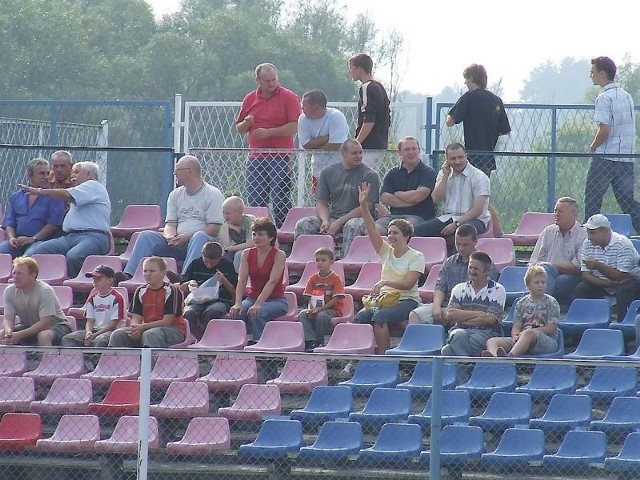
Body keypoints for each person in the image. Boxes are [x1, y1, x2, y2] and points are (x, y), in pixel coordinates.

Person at [119, 155, 225, 280]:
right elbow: (170, 224)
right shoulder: (175, 194)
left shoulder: (213, 194)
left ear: (190, 171)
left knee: (199, 236)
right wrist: (170, 236)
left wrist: (186, 237)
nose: (174, 173)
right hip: (177, 243)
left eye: (178, 170)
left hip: (201, 244)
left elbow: (214, 228)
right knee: (145, 236)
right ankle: (128, 275)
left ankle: (185, 277)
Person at [355, 182, 424, 354]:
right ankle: (361, 355)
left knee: (380, 317)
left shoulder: (416, 256)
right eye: (390, 232)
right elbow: (371, 229)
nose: (390, 236)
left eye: (395, 233)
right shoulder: (386, 250)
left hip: (406, 300)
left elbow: (408, 284)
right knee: (361, 316)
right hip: (385, 299)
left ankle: (384, 357)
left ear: (406, 236)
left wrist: (384, 282)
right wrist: (363, 205)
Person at [236, 63, 301, 227]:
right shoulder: (250, 98)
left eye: (274, 80)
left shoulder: (289, 97)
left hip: (281, 156)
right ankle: (258, 231)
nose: (272, 84)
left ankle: (282, 230)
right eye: (267, 81)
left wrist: (269, 132)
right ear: (257, 80)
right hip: (256, 157)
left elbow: (295, 125)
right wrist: (247, 122)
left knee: (281, 198)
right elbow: (240, 128)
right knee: (256, 199)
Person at [20, 161, 111, 278]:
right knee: (38, 250)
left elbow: (66, 194)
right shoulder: (80, 192)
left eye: (77, 172)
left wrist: (39, 191)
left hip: (94, 237)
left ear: (89, 175)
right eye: (72, 172)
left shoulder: (93, 186)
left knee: (74, 256)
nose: (72, 175)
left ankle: (77, 291)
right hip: (70, 237)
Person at [294, 139, 380, 257]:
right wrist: (325, 220)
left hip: (360, 218)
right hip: (334, 216)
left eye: (360, 152)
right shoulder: (328, 173)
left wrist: (339, 222)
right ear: (343, 153)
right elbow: (321, 203)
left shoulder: (370, 175)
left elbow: (367, 207)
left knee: (353, 225)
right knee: (303, 224)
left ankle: (348, 267)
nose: (359, 156)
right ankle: (301, 266)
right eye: (354, 153)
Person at [584, 56, 640, 233]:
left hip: (606, 156)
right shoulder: (626, 96)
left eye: (593, 72)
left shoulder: (604, 98)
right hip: (626, 156)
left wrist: (593, 147)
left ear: (602, 74)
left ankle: (590, 237)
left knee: (593, 198)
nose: (590, 75)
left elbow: (605, 130)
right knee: (627, 201)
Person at [408, 224, 497, 324]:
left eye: (465, 245)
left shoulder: (486, 264)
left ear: (475, 241)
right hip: (446, 306)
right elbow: (441, 287)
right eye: (458, 244)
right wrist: (436, 307)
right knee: (416, 315)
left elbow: (487, 292)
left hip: (471, 310)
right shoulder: (449, 262)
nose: (461, 248)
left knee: (453, 316)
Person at [446, 64, 511, 177]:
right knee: (483, 189)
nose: (465, 83)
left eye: (466, 79)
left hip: (471, 156)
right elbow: (504, 130)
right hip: (488, 156)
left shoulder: (468, 97)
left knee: (467, 189)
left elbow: (450, 122)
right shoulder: (496, 100)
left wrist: (450, 115)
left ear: (471, 78)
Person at [413, 143, 490, 238]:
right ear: (447, 160)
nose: (457, 161)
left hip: (475, 220)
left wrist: (456, 224)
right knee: (414, 232)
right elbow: (436, 199)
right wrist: (445, 176)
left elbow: (477, 210)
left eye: (460, 157)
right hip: (448, 218)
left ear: (466, 156)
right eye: (453, 158)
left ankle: (458, 253)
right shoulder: (443, 174)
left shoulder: (479, 177)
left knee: (462, 233)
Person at [229, 217, 288, 340]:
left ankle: (260, 347)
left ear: (271, 238)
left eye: (260, 234)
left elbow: (272, 281)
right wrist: (238, 303)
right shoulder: (247, 253)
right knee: (236, 312)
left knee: (257, 313)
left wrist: (258, 304)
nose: (256, 237)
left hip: (276, 300)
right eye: (254, 234)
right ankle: (237, 346)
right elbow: (242, 280)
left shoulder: (279, 255)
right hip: (252, 298)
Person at [108, 257, 186, 348]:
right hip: (146, 328)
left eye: (152, 271)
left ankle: (150, 361)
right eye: (145, 271)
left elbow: (167, 321)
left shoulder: (172, 291)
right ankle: (114, 361)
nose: (147, 274)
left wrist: (143, 327)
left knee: (150, 334)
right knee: (118, 334)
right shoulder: (140, 290)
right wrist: (135, 329)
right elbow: (136, 317)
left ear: (163, 272)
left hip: (173, 330)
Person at [483, 265, 561, 357]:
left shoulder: (551, 302)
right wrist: (515, 335)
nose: (540, 285)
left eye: (543, 282)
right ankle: (494, 360)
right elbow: (517, 326)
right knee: (492, 341)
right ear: (528, 285)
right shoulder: (521, 303)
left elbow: (551, 328)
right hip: (523, 338)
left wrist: (528, 332)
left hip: (546, 341)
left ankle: (509, 358)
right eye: (537, 282)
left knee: (529, 333)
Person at [440, 251, 506, 357]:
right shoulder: (459, 288)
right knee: (459, 335)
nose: (471, 271)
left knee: (448, 350)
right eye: (470, 267)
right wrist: (479, 313)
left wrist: (461, 316)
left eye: (476, 269)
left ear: (487, 272)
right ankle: (469, 366)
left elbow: (490, 320)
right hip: (460, 331)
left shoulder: (497, 289)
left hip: (485, 334)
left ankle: (465, 367)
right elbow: (450, 314)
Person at [577, 214, 640, 320]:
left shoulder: (622, 244)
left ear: (606, 231)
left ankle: (623, 323)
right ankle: (582, 324)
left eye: (592, 232)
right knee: (581, 288)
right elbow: (586, 275)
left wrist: (597, 265)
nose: (589, 236)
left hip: (628, 282)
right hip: (603, 283)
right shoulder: (587, 243)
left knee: (625, 289)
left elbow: (622, 276)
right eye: (588, 232)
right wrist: (609, 283)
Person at [0, 158, 65, 258]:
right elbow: (9, 223)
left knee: (27, 259)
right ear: (30, 175)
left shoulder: (55, 196)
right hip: (17, 241)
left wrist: (33, 238)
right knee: (2, 251)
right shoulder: (16, 197)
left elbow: (53, 225)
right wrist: (11, 238)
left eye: (47, 173)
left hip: (41, 242)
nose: (46, 177)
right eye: (41, 174)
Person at [1, 257, 71, 346]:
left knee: (43, 335)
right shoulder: (9, 291)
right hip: (29, 325)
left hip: (58, 325)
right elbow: (8, 318)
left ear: (33, 275)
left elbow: (45, 322)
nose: (15, 276)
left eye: (20, 273)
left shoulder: (45, 291)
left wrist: (19, 334)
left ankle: (49, 359)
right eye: (14, 273)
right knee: (2, 334)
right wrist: (8, 330)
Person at [529, 197, 586, 304]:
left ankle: (539, 305)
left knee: (559, 281)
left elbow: (579, 267)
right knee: (535, 275)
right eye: (555, 210)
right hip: (544, 272)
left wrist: (550, 265)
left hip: (571, 275)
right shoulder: (548, 231)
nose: (556, 214)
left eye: (561, 211)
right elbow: (535, 259)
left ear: (574, 214)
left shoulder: (583, 234)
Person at [375, 136, 437, 234]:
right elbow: (385, 198)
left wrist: (397, 194)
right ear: (399, 152)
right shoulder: (392, 173)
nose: (411, 152)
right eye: (407, 149)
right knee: (372, 230)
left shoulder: (428, 172)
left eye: (414, 149)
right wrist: (411, 201)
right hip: (394, 216)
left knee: (403, 231)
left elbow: (418, 196)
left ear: (419, 151)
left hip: (419, 217)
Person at [180, 242, 237, 340]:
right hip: (197, 300)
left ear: (220, 258)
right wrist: (190, 283)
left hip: (220, 300)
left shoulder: (227, 265)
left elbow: (234, 292)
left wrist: (224, 280)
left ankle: (209, 338)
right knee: (189, 313)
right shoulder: (195, 263)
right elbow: (182, 287)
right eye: (206, 261)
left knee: (212, 311)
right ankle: (200, 337)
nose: (209, 265)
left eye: (213, 262)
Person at [61, 265, 126, 347]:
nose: (95, 281)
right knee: (68, 338)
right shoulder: (92, 298)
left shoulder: (117, 298)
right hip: (95, 330)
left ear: (110, 280)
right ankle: (75, 359)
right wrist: (88, 332)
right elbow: (89, 321)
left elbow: (113, 325)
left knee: (100, 340)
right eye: (94, 279)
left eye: (99, 279)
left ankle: (96, 359)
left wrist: (94, 336)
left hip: (111, 332)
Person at [298, 89, 350, 192]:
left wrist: (315, 146)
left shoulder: (336, 116)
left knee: (339, 201)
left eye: (305, 105)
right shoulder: (303, 119)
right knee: (320, 201)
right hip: (318, 171)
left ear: (316, 107)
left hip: (339, 170)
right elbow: (305, 145)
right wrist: (326, 138)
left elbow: (335, 145)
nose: (302, 108)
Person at [348, 53, 391, 171]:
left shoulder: (367, 87)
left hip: (369, 146)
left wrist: (356, 143)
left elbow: (369, 120)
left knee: (361, 179)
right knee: (371, 178)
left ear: (360, 69)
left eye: (351, 68)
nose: (349, 71)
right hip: (380, 144)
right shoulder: (380, 87)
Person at [298, 247, 346, 352]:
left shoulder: (335, 278)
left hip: (332, 309)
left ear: (331, 262)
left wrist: (319, 309)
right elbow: (308, 296)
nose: (320, 263)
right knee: (302, 314)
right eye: (317, 260)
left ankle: (319, 342)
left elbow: (336, 298)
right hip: (316, 308)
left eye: (323, 260)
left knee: (321, 316)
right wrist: (310, 309)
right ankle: (310, 340)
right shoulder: (313, 278)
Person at [219, 196, 255, 273]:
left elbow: (250, 244)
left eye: (228, 213)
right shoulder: (228, 223)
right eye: (223, 213)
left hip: (253, 252)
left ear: (240, 212)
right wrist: (226, 227)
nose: (225, 216)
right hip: (237, 250)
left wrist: (228, 248)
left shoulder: (249, 221)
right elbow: (224, 246)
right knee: (225, 256)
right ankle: (226, 279)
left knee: (239, 254)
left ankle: (237, 281)